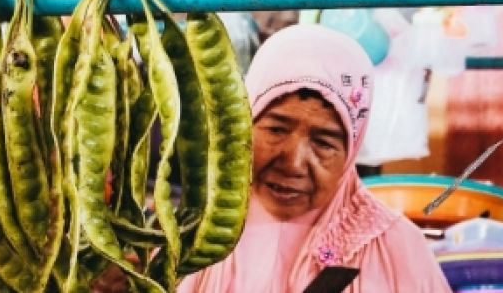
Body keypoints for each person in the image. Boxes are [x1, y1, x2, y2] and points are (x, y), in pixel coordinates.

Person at [177, 24, 452, 293]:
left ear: (351, 150)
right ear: (246, 125)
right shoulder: (192, 235)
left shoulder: (397, 250)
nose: (293, 163)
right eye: (276, 129)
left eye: (324, 143)